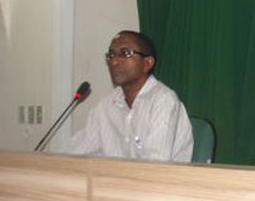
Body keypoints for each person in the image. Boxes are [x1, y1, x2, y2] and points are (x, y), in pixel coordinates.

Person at [71, 30, 193, 161]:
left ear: (147, 63)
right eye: (111, 55)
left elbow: (156, 164)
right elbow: (75, 152)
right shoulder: (106, 104)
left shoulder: (163, 101)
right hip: (117, 174)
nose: (114, 62)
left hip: (158, 175)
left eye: (125, 53)